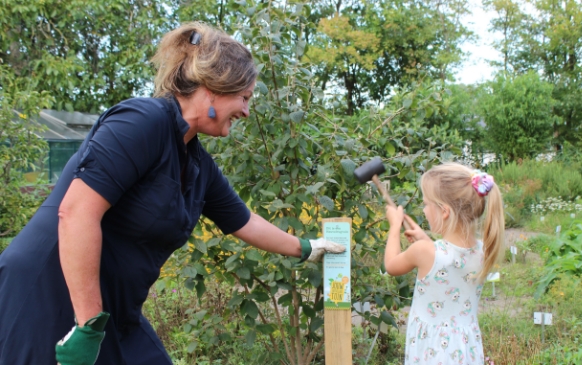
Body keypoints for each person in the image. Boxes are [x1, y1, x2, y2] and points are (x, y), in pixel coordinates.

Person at [0, 22, 344, 365]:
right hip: (48, 295)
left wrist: (306, 248)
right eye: (244, 98)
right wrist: (88, 327)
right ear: (214, 88)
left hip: (112, 308)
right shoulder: (141, 122)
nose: (246, 111)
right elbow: (75, 212)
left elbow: (243, 221)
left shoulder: (196, 163)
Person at [384, 162, 504, 364]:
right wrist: (426, 240)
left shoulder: (424, 252)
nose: (423, 210)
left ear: (444, 211)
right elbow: (449, 262)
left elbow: (391, 265)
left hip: (432, 351)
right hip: (465, 350)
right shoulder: (484, 250)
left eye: (426, 204)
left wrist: (394, 226)